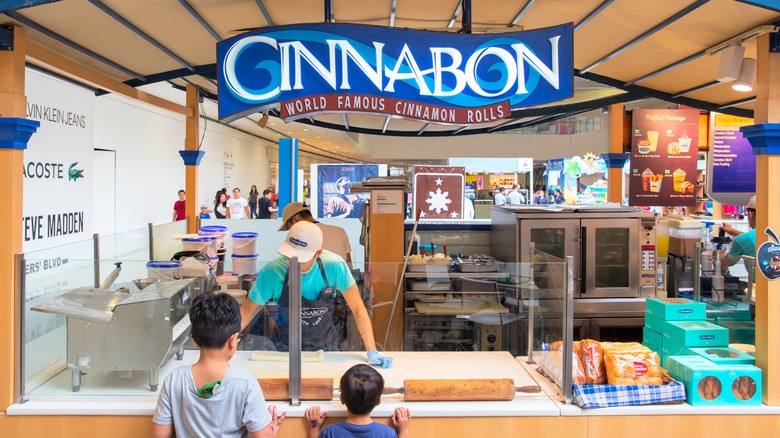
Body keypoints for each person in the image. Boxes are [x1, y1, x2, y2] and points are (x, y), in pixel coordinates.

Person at [239, 221, 392, 368]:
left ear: (318, 253)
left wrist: (371, 351)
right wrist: (224, 346)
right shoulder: (272, 271)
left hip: (325, 350)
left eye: (301, 258)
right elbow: (246, 311)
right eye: (290, 255)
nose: (293, 261)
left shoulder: (334, 266)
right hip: (285, 351)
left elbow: (358, 309)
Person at [152, 292, 287, 438]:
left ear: (194, 339)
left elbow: (159, 435)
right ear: (233, 340)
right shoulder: (245, 383)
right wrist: (272, 429)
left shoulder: (174, 380)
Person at [305, 364, 410, 438]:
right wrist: (404, 430)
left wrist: (314, 427)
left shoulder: (330, 432)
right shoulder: (387, 434)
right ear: (379, 401)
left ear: (341, 399)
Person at [279, 202, 353, 270]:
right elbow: (349, 267)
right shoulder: (339, 231)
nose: (291, 231)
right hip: (342, 282)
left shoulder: (299, 238)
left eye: (289, 228)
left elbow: (296, 269)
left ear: (295, 219)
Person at [718, 195, 756, 274]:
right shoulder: (774, 234)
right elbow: (753, 238)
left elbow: (729, 262)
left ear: (751, 214)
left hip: (757, 285)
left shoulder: (743, 239)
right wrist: (732, 231)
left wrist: (719, 256)